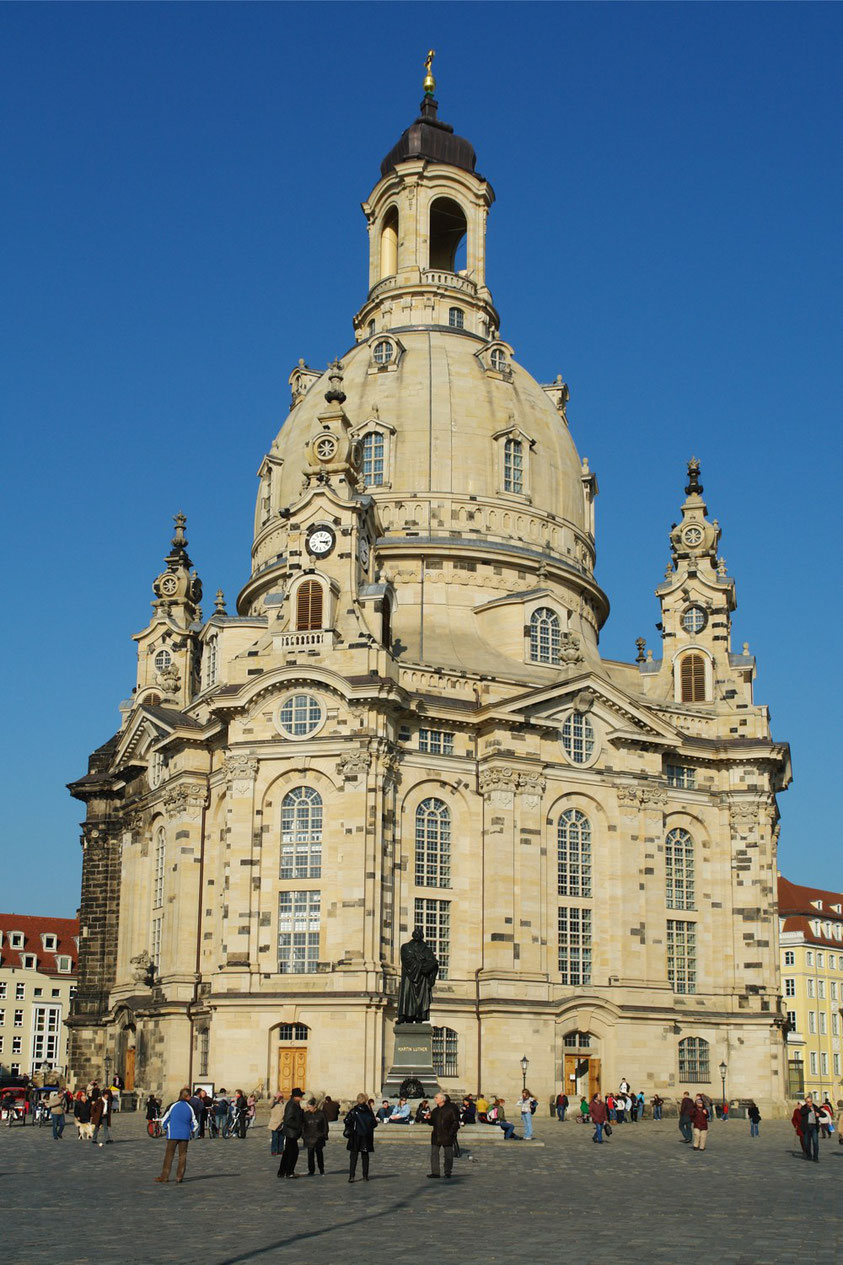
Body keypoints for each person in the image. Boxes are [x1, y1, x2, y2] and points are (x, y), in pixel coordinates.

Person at [156, 1088, 198, 1183]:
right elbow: (195, 1123)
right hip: (184, 1135)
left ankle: (164, 1176)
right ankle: (179, 1177)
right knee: (182, 1156)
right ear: (187, 1097)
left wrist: (167, 1128)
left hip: (173, 1134)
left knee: (169, 1155)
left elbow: (164, 1120)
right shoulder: (190, 1108)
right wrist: (190, 1130)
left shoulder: (173, 1106)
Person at [345, 1092, 377, 1182]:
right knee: (365, 1156)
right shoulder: (369, 1111)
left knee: (353, 1157)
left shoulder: (354, 1110)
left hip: (355, 1136)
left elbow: (346, 1120)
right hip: (366, 1136)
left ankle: (351, 1176)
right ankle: (365, 1176)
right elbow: (374, 1123)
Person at [427, 1091, 460, 1178]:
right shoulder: (435, 1110)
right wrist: (428, 1118)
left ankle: (448, 1172)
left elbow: (455, 1123)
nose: (435, 1099)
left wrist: (451, 1133)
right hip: (436, 1135)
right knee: (434, 1154)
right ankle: (435, 1172)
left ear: (442, 1099)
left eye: (436, 1098)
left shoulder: (450, 1110)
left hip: (447, 1135)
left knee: (448, 1155)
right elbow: (432, 1123)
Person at [277, 1087, 304, 1178]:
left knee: (287, 1152)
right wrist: (299, 1126)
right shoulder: (292, 1105)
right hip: (291, 1132)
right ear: (296, 1097)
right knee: (293, 1153)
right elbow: (288, 1120)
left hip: (291, 1132)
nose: (301, 1098)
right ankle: (289, 1172)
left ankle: (282, 1172)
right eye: (300, 1096)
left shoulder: (295, 1104)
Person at [302, 1097, 328, 1175]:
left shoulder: (321, 1114)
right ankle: (311, 1170)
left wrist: (324, 1134)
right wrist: (303, 1135)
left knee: (319, 1154)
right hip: (309, 1137)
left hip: (319, 1137)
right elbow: (302, 1125)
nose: (308, 1108)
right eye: (308, 1107)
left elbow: (325, 1126)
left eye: (310, 1107)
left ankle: (321, 1169)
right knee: (310, 1155)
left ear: (314, 1106)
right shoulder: (306, 1114)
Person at [800, 1094, 820, 1161]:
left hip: (814, 1127)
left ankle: (815, 1157)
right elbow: (801, 1113)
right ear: (806, 1102)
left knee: (815, 1142)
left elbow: (823, 1114)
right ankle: (809, 1155)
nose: (810, 1103)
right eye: (808, 1102)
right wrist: (809, 1110)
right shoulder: (804, 1108)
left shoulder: (815, 1107)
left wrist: (819, 1114)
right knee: (806, 1143)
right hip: (806, 1127)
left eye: (811, 1101)